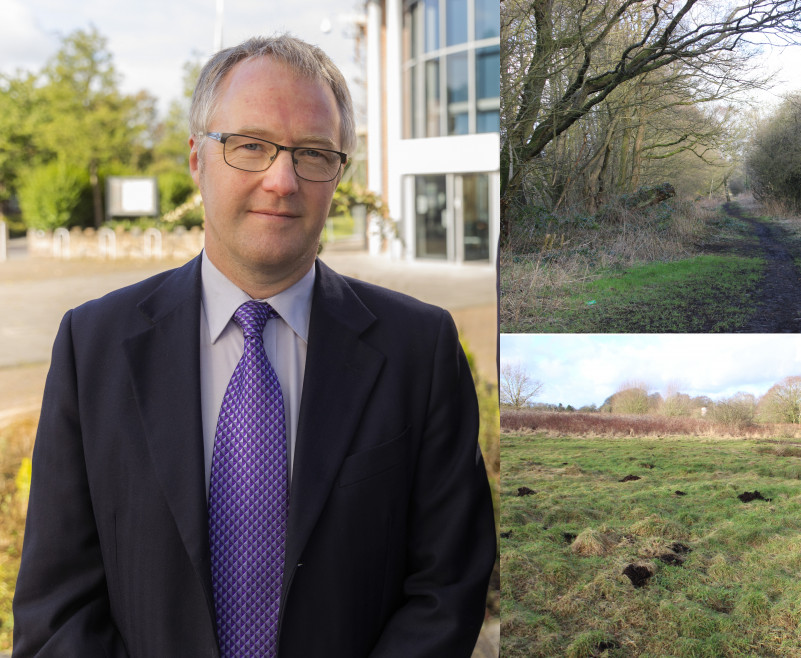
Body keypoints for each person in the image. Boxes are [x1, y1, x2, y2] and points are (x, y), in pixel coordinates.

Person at [12, 34, 496, 657]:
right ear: (196, 159)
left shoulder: (419, 349)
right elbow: (57, 608)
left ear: (338, 174)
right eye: (250, 146)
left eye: (314, 154)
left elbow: (446, 590)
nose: (282, 180)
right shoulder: (93, 347)